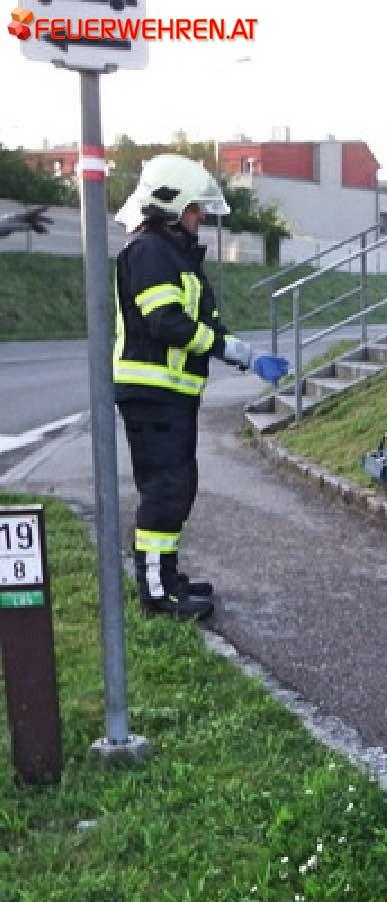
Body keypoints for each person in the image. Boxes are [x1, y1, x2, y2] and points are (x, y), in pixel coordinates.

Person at [112, 155, 287, 620]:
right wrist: (228, 349)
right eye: (194, 209)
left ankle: (166, 579)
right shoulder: (150, 252)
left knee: (179, 488)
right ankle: (157, 594)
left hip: (171, 396)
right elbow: (167, 323)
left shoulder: (176, 257)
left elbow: (204, 326)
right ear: (170, 207)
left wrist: (248, 357)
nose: (201, 217)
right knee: (165, 491)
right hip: (153, 395)